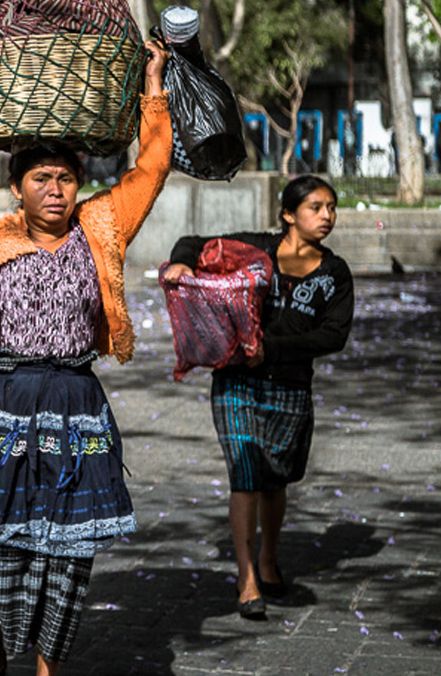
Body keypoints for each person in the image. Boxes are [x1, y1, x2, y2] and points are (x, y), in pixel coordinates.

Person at [0, 37, 170, 676]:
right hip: (0, 409)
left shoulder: (102, 229)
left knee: (70, 555)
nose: (56, 190)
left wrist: (152, 87)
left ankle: (47, 663)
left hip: (78, 413)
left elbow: (150, 169)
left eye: (66, 177)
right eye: (41, 178)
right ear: (16, 188)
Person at [162, 175, 353, 620]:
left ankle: (269, 556)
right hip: (235, 380)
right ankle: (247, 576)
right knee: (244, 470)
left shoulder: (335, 273)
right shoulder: (255, 249)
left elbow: (334, 334)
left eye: (331, 207)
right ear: (288, 214)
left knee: (275, 477)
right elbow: (193, 240)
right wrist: (184, 264)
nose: (326, 216)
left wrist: (275, 348)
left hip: (291, 385)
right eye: (315, 207)